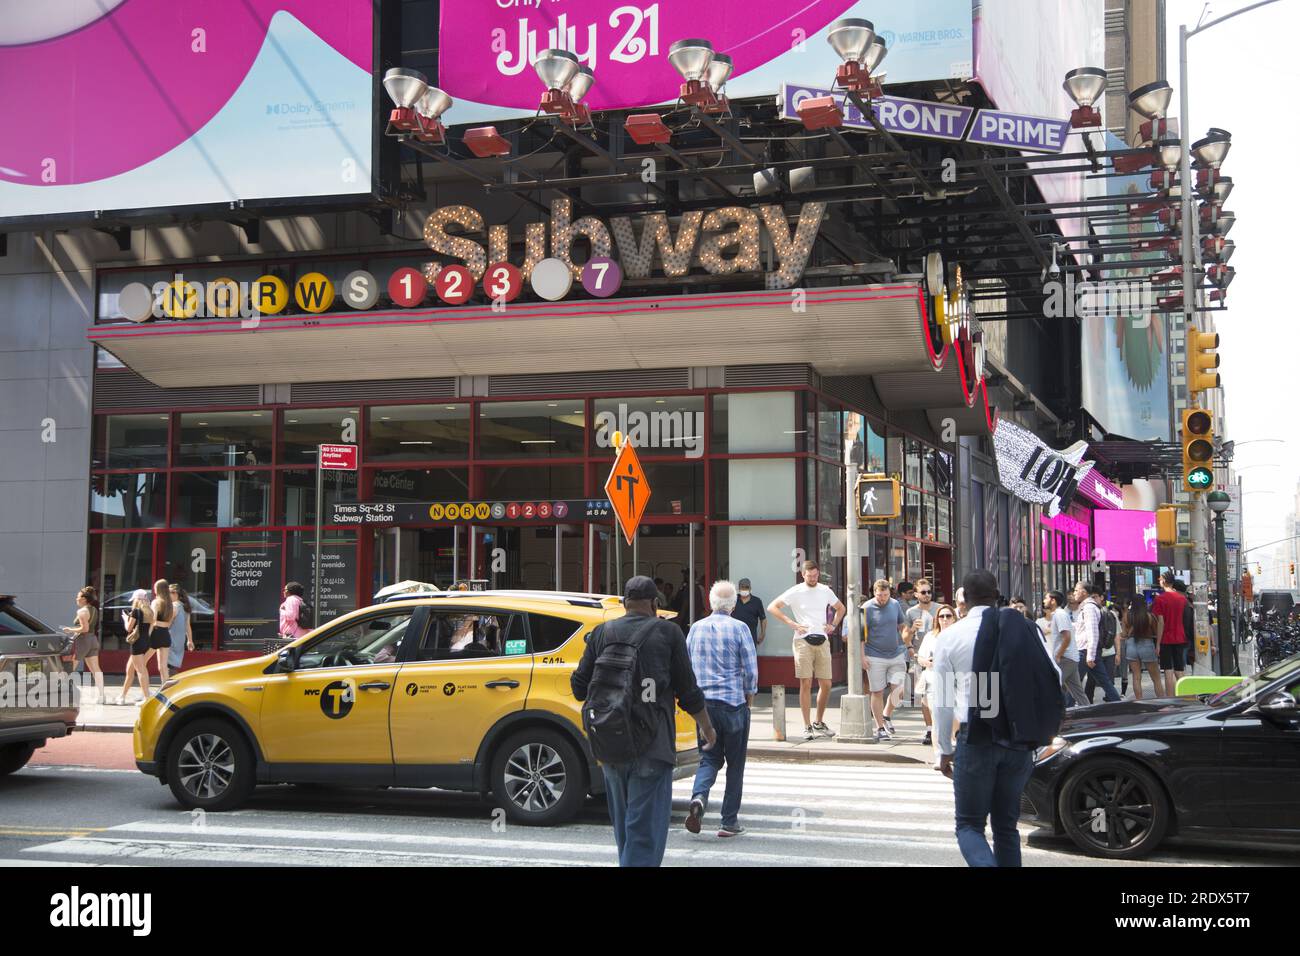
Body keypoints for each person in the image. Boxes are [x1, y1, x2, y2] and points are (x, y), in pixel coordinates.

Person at [572, 576, 716, 867]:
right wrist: (707, 727)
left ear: (625, 603)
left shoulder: (602, 632)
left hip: (610, 744)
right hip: (653, 745)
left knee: (626, 829)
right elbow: (687, 690)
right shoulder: (668, 632)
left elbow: (578, 686)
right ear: (654, 603)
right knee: (645, 832)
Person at [934, 570, 1062, 867]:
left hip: (976, 735)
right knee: (1006, 827)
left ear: (963, 599)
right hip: (1018, 736)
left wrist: (943, 749)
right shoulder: (1024, 628)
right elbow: (1053, 675)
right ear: (997, 594)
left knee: (969, 826)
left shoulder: (951, 636)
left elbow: (941, 701)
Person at [685, 580, 758, 839]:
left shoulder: (695, 629)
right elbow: (750, 669)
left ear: (710, 603)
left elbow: (686, 666)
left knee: (709, 758)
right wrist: (749, 698)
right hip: (733, 705)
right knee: (735, 765)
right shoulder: (740, 629)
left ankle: (699, 798)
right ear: (734, 605)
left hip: (703, 708)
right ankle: (728, 822)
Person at [768, 560, 845, 741]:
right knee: (806, 682)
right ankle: (806, 725)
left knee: (826, 683)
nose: (812, 578)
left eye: (815, 575)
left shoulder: (825, 590)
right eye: (809, 576)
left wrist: (833, 625)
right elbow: (772, 607)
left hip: (822, 639)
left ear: (819, 574)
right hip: (802, 640)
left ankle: (818, 721)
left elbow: (841, 608)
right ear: (803, 575)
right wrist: (792, 624)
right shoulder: (796, 591)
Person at [861, 578, 910, 741]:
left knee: (899, 690)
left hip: (896, 654)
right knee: (877, 691)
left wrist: (906, 640)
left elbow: (901, 625)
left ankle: (886, 715)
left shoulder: (895, 604)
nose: (883, 598)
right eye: (880, 595)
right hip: (874, 655)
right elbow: (861, 636)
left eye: (886, 595)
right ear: (874, 593)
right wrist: (862, 656)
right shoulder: (866, 608)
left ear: (890, 593)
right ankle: (880, 727)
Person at [915, 603, 956, 752]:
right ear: (937, 619)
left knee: (954, 718)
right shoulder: (930, 636)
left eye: (948, 616)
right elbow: (920, 658)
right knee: (937, 720)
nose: (944, 619)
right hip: (933, 681)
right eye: (941, 616)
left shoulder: (958, 635)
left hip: (954, 682)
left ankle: (954, 748)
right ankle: (939, 755)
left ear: (954, 618)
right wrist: (927, 662)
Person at [1073, 582, 1120, 703]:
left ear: (1084, 592)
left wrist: (1090, 655)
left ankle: (1067, 709)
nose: (1074, 593)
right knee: (1104, 682)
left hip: (1085, 651)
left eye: (1076, 590)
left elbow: (1092, 633)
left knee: (1073, 682)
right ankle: (1118, 703)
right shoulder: (1087, 607)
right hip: (1089, 652)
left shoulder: (1089, 608)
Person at [61, 586, 104, 704]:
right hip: (93, 640)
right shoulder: (94, 609)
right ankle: (101, 696)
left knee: (69, 668)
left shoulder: (81, 611)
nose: (76, 599)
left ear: (84, 599)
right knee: (96, 669)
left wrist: (70, 629)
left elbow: (84, 628)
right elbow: (89, 628)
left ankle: (63, 695)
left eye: (78, 596)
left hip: (83, 641)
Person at [114, 589, 154, 705]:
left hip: (136, 643)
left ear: (137, 600)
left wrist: (125, 619)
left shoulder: (136, 611)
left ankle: (146, 697)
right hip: (146, 642)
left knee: (140, 670)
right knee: (130, 670)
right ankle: (122, 696)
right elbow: (150, 629)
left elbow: (128, 628)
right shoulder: (150, 612)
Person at [1152, 572, 1189, 696]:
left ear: (1163, 581)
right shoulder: (1182, 599)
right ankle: (1187, 697)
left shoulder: (1160, 599)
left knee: (1168, 671)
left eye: (1160, 579)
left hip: (1166, 639)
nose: (1159, 581)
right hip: (1180, 637)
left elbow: (1160, 622)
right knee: (1180, 670)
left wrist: (1158, 643)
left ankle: (1170, 699)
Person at [1047, 591, 1086, 706]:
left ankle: (1053, 717)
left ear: (1053, 601)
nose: (1044, 601)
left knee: (1050, 687)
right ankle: (1090, 714)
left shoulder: (1059, 615)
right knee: (1078, 693)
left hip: (1065, 659)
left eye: (1046, 598)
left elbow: (1067, 637)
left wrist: (1058, 655)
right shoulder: (1060, 614)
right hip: (1070, 658)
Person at [1121, 596, 1162, 700]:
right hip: (1147, 644)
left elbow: (1124, 634)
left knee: (1136, 676)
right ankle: (1162, 700)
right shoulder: (1149, 616)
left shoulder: (1126, 616)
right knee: (1156, 678)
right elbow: (1156, 631)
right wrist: (1158, 645)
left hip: (1131, 645)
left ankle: (1139, 701)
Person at [146, 579, 174, 684]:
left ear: (158, 589)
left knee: (142, 663)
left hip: (156, 633)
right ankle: (166, 691)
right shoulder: (171, 604)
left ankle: (145, 691)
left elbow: (152, 620)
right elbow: (169, 623)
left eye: (155, 588)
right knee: (163, 666)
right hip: (165, 634)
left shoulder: (156, 602)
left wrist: (147, 635)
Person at [729, 578, 766, 646]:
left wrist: (763, 633)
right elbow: (726, 615)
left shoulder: (757, 601)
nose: (744, 589)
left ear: (750, 588)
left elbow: (763, 618)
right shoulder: (733, 599)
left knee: (750, 656)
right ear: (739, 588)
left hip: (750, 636)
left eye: (746, 587)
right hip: (734, 636)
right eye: (742, 587)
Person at [168, 584, 195, 672]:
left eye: (168, 593)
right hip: (180, 640)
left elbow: (167, 624)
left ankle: (169, 683)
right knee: (172, 665)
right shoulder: (184, 606)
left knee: (166, 666)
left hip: (170, 639)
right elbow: (187, 625)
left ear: (175, 593)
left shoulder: (174, 606)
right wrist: (189, 640)